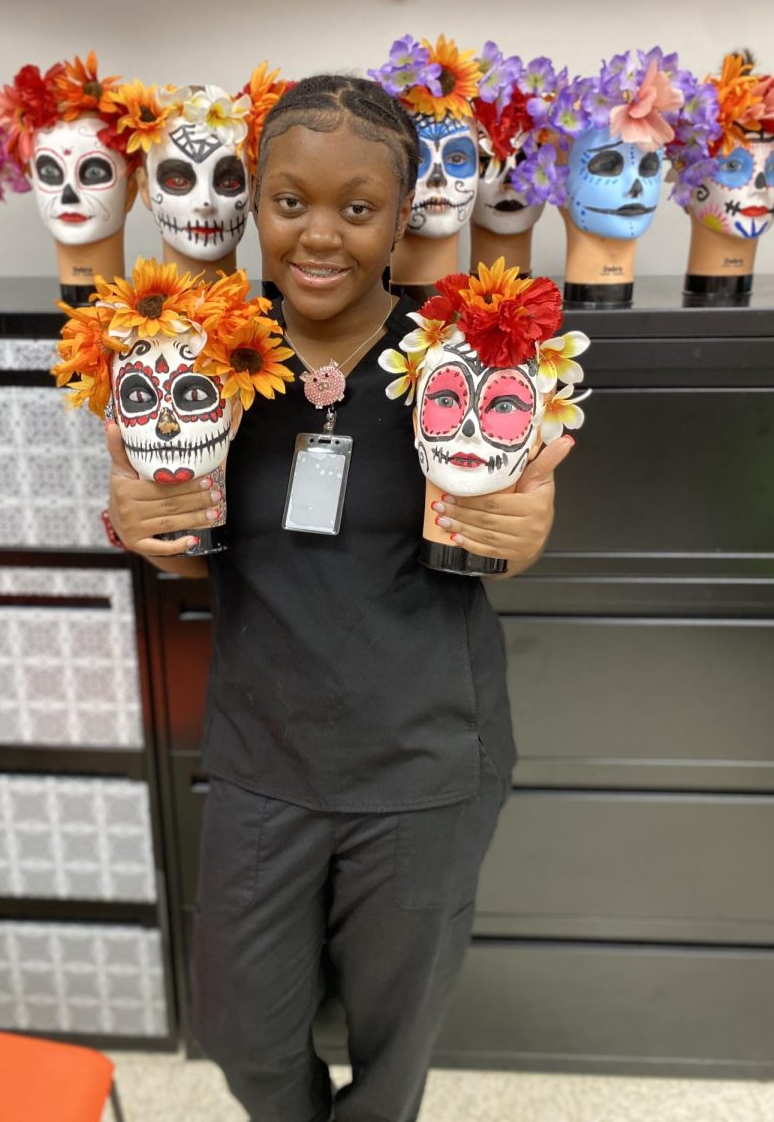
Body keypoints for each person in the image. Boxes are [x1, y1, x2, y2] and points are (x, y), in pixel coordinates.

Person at [107, 75, 573, 1122]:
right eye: (289, 202)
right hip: (265, 751)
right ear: (253, 202)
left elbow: (505, 520)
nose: (320, 237)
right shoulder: (207, 356)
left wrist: (527, 533)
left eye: (356, 209)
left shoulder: (461, 357)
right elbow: (203, 552)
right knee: (239, 1031)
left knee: (395, 1038)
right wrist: (152, 529)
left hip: (424, 755)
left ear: (401, 217)